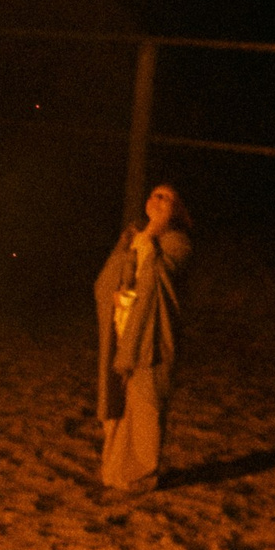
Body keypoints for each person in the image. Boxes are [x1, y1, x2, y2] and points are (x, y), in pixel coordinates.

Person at [95, 184, 194, 496]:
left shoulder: (177, 242)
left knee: (145, 406)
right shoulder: (135, 236)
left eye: (166, 197)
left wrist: (152, 235)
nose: (157, 199)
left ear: (177, 210)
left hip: (153, 333)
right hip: (125, 327)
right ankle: (114, 472)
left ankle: (139, 476)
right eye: (154, 194)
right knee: (119, 402)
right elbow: (110, 276)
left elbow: (160, 279)